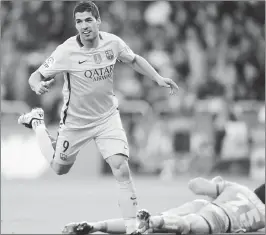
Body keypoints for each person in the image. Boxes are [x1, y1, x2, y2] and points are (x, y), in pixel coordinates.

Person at [17, 1, 179, 234]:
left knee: (121, 168)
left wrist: (158, 78)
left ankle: (133, 228)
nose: (84, 26)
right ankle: (37, 123)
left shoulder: (113, 43)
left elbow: (134, 59)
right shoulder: (66, 51)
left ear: (98, 21)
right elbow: (36, 75)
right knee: (59, 168)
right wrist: (37, 87)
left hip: (106, 119)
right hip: (76, 122)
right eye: (79, 21)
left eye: (88, 20)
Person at [62, 177, 265, 234]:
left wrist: (213, 183)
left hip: (202, 203)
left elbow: (195, 185)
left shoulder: (238, 188)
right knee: (187, 226)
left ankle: (96, 226)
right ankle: (154, 222)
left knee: (141, 224)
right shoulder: (263, 214)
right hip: (220, 218)